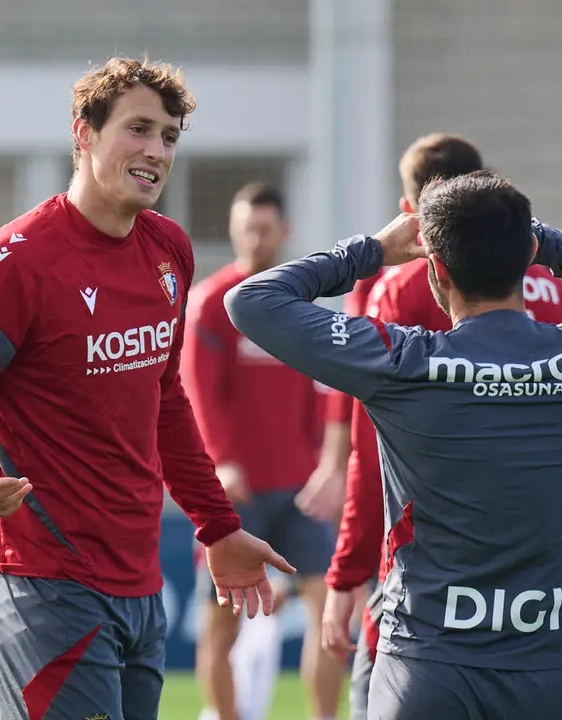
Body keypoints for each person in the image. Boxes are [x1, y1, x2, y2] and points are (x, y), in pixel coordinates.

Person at [0, 56, 295, 720]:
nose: (155, 150)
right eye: (138, 129)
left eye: (169, 136)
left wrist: (216, 527)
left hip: (141, 588)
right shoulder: (16, 262)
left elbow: (165, 402)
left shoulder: (167, 249)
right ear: (83, 134)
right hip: (45, 591)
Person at [223, 169, 562, 718]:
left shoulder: (406, 363)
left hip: (426, 669)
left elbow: (252, 300)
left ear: (435, 269)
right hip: (547, 676)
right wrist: (545, 242)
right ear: (528, 253)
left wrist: (371, 251)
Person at [323, 133, 562, 719]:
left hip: (432, 591)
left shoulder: (402, 287)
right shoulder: (558, 293)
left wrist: (348, 571)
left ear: (413, 215)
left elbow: (373, 450)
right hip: (542, 599)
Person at [182, 182, 348, 720]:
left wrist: (330, 465)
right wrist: (221, 462)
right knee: (221, 621)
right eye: (245, 228)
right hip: (235, 492)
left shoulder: (297, 305)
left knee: (330, 611)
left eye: (264, 228)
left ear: (284, 232)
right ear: (234, 231)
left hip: (299, 489)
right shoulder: (212, 303)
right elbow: (197, 392)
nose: (254, 238)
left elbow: (328, 393)